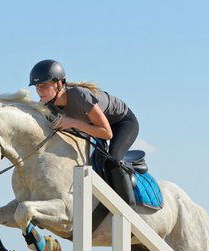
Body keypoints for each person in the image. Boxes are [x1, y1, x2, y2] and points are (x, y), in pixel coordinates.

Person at [29, 59, 138, 207]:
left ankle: (127, 207)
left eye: (44, 85)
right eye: (37, 87)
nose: (39, 91)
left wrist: (73, 122)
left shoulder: (80, 96)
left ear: (59, 84)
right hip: (92, 125)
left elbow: (107, 133)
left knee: (111, 159)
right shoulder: (47, 106)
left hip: (121, 123)